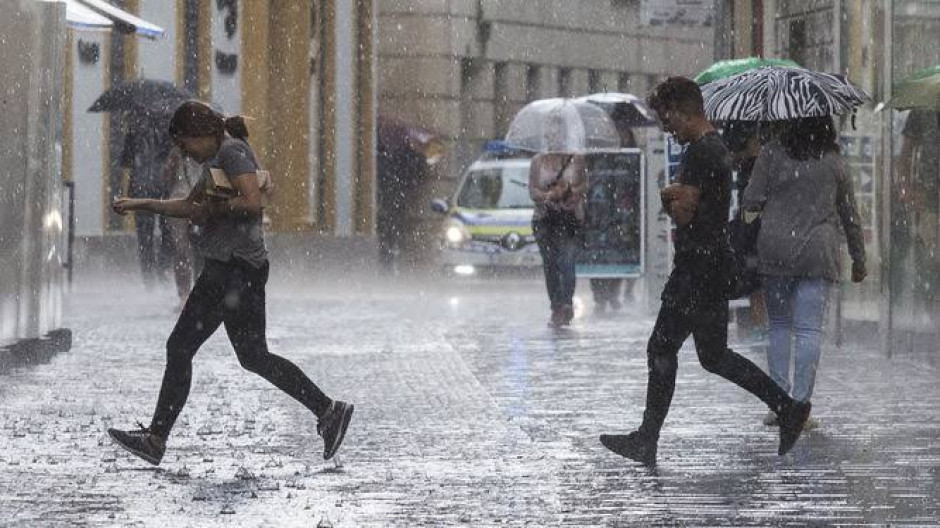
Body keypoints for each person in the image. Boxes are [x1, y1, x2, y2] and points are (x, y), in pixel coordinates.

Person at [106, 101, 354, 466]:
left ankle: (157, 439)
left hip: (234, 271)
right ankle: (327, 410)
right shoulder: (216, 160)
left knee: (180, 347)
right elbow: (190, 208)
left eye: (185, 143)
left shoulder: (232, 153)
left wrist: (214, 210)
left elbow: (252, 202)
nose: (183, 152)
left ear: (203, 134)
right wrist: (141, 204)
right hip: (236, 269)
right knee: (253, 356)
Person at [599, 77, 811, 466]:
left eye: (668, 119)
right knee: (714, 355)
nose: (667, 128)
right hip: (713, 263)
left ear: (683, 110)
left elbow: (684, 211)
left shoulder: (699, 153)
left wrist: (668, 196)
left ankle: (647, 439)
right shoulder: (717, 148)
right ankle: (787, 407)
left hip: (697, 268)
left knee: (662, 347)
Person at [743, 117, 867, 428]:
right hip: (817, 252)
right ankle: (799, 405)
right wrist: (858, 257)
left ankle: (778, 402)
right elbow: (850, 214)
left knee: (780, 326)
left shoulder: (771, 154)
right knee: (810, 330)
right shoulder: (834, 162)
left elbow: (752, 200)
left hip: (776, 249)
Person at [529, 142, 587, 328]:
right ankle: (556, 307)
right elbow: (532, 190)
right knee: (550, 263)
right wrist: (549, 195)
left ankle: (566, 303)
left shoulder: (576, 159)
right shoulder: (537, 161)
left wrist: (568, 190)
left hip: (569, 219)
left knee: (567, 261)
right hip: (545, 220)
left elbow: (585, 185)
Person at [590, 127, 638, 314]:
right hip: (599, 216)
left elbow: (634, 185)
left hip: (622, 217)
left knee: (619, 255)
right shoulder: (599, 157)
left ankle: (612, 294)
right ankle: (600, 296)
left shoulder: (631, 159)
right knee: (599, 255)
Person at [121, 113, 172, 288]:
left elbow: (125, 161)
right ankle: (162, 268)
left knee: (145, 236)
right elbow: (171, 159)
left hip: (141, 190)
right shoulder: (167, 130)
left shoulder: (134, 131)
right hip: (163, 189)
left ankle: (149, 277)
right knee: (167, 231)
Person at [160, 145, 203, 305]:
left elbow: (166, 177)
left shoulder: (178, 150)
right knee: (201, 250)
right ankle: (199, 292)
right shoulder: (209, 148)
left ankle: (184, 295)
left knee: (181, 251)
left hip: (179, 201)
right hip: (201, 201)